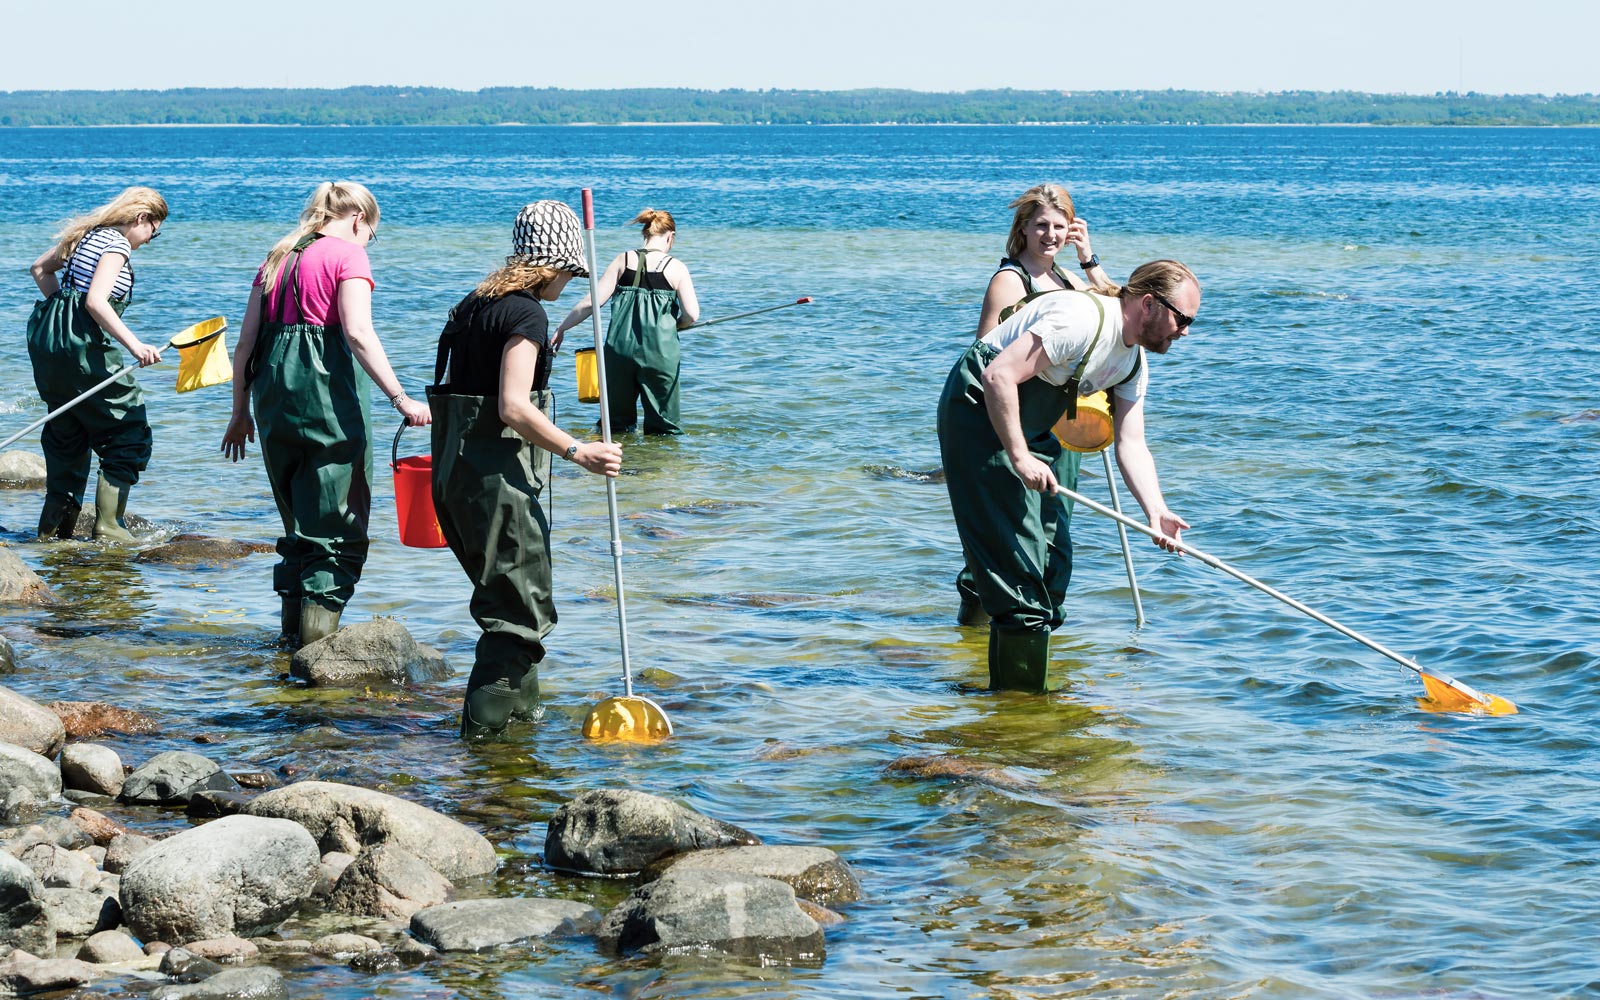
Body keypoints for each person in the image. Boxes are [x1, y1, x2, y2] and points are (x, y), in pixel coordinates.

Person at [937, 260, 1200, 694]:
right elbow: (998, 375)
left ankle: (995, 676)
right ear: (1149, 303)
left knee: (1051, 566)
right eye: (1182, 318)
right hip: (979, 414)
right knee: (1019, 576)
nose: (1185, 331)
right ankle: (1018, 716)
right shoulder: (1080, 319)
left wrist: (1157, 511)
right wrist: (1019, 457)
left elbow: (1130, 444)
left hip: (1031, 424)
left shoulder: (1131, 363)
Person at [429, 200, 623, 738]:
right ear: (555, 261)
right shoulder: (527, 313)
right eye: (570, 270)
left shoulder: (472, 305)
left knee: (510, 608)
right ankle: (485, 748)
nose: (569, 281)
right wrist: (577, 451)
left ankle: (521, 733)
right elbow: (512, 406)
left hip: (454, 478)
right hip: (497, 482)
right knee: (517, 620)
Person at [221, 181, 431, 647]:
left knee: (298, 527)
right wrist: (402, 399)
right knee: (338, 534)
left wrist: (239, 412)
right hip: (326, 396)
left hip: (272, 399)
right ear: (358, 218)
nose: (367, 242)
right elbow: (357, 333)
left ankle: (289, 650)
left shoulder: (277, 256)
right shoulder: (347, 254)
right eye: (370, 233)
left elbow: (244, 344)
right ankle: (317, 661)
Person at [958, 183, 1111, 625]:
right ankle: (973, 636)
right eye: (1041, 225)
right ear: (1023, 228)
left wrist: (1088, 258)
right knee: (1005, 535)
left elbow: (1113, 312)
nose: (1050, 235)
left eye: (1060, 227)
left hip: (1057, 424)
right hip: (1012, 423)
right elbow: (982, 357)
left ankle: (1033, 629)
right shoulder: (1010, 281)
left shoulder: (1067, 279)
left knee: (1052, 530)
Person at [26, 186, 169, 542]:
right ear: (141, 218)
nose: (152, 239)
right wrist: (137, 346)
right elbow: (96, 302)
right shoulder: (117, 245)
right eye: (155, 229)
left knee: (66, 432)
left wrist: (63, 308)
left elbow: (39, 269)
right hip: (83, 351)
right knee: (128, 429)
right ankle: (108, 527)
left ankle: (53, 537)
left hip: (51, 347)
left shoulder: (84, 236)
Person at [554, 208, 700, 435]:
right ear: (670, 236)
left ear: (646, 233)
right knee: (664, 428)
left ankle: (618, 464)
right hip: (660, 354)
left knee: (616, 425)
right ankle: (659, 468)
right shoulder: (676, 267)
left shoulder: (623, 260)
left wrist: (562, 327)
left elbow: (591, 302)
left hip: (619, 352)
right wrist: (675, 326)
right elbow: (692, 314)